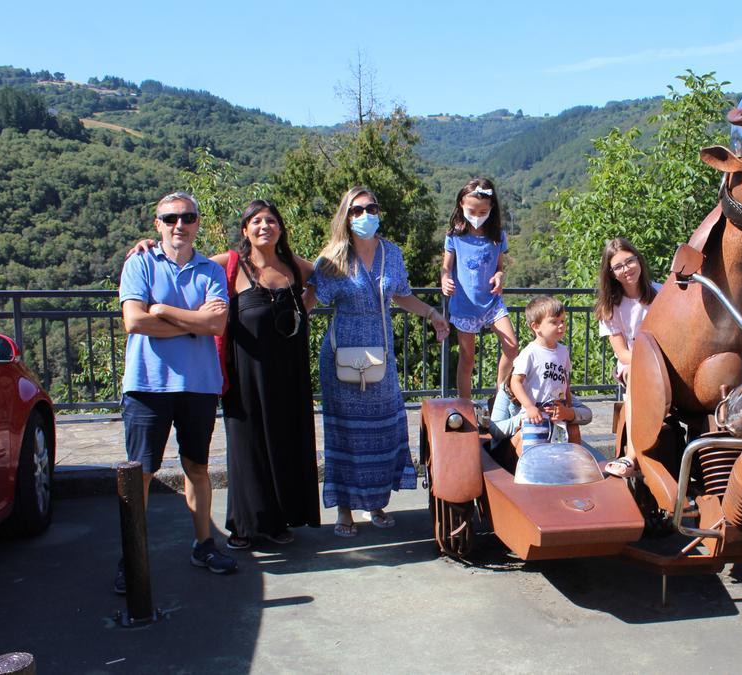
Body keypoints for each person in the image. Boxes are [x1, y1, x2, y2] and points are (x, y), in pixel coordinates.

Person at [311, 186, 449, 537]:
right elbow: (310, 296)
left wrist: (432, 313)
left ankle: (376, 503)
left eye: (370, 208)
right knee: (345, 434)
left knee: (383, 427)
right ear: (346, 215)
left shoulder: (392, 253)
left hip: (380, 354)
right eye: (356, 210)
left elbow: (401, 295)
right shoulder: (333, 258)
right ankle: (344, 509)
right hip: (341, 354)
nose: (364, 215)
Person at [116, 190, 236, 592]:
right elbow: (133, 321)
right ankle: (130, 558)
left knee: (197, 469)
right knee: (142, 473)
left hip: (198, 386)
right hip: (146, 385)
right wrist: (195, 320)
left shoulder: (211, 270)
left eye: (186, 217)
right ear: (157, 224)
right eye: (169, 219)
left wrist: (164, 311)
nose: (178, 225)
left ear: (197, 222)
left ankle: (204, 544)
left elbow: (217, 326)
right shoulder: (140, 262)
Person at [210, 200, 320, 550]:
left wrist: (307, 304)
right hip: (246, 374)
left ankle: (278, 520)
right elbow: (187, 265)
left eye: (271, 220)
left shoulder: (292, 267)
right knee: (247, 447)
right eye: (256, 221)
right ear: (245, 230)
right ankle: (243, 525)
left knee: (284, 442)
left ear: (280, 228)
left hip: (288, 372)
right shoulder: (230, 265)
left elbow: (326, 274)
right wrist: (150, 247)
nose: (264, 226)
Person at [440, 178, 519, 402]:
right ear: (461, 206)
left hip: (492, 302)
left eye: (483, 210)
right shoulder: (454, 236)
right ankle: (465, 404)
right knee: (468, 359)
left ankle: (499, 398)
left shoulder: (498, 235)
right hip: (465, 305)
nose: (477, 215)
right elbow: (446, 267)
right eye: (472, 210)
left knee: (512, 347)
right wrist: (445, 280)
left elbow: (500, 267)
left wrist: (500, 276)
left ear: (491, 209)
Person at [594, 237, 661, 477]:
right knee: (634, 375)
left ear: (638, 261)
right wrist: (645, 363)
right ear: (611, 274)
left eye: (629, 261)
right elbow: (621, 352)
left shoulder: (661, 294)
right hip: (632, 364)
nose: (626, 269)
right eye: (618, 266)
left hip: (664, 361)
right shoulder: (611, 307)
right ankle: (631, 456)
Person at [509, 296, 571, 449]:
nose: (561, 326)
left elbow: (564, 379)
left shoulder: (563, 351)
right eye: (554, 322)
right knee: (533, 454)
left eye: (562, 321)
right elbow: (515, 382)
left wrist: (568, 402)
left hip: (557, 416)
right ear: (536, 326)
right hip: (536, 417)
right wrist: (529, 407)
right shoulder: (530, 352)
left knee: (558, 454)